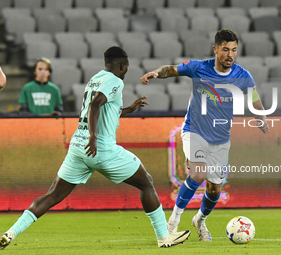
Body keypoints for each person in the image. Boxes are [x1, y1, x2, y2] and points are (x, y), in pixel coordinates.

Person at [0, 46, 190, 250]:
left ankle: (10, 233)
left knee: (53, 195)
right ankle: (164, 237)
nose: (126, 71)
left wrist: (128, 109)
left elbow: (102, 109)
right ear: (123, 66)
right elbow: (95, 105)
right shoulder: (115, 81)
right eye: (126, 68)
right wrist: (93, 137)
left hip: (77, 147)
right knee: (146, 182)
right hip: (100, 147)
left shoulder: (95, 79)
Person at [140, 29, 269, 242]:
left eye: (234, 50)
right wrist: (156, 73)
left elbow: (253, 95)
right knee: (198, 174)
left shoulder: (242, 75)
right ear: (215, 49)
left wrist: (260, 116)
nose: (230, 55)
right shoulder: (199, 68)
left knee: (214, 190)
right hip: (195, 130)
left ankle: (200, 220)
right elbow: (171, 70)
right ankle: (173, 220)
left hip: (220, 139)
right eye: (225, 49)